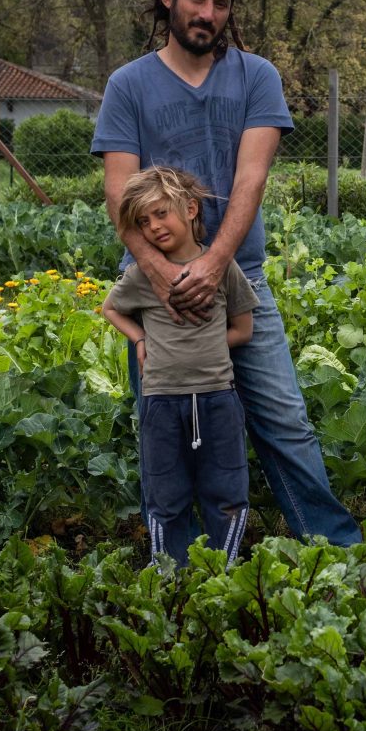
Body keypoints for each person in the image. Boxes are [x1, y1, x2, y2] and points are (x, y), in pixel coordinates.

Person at [91, 0, 361, 547]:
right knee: (163, 429)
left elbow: (250, 180)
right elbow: (119, 192)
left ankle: (335, 548)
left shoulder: (256, 76)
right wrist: (159, 272)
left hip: (241, 280)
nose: (207, 12)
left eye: (220, 3)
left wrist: (215, 264)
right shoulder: (128, 85)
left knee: (283, 420)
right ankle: (177, 565)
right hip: (153, 292)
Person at [102, 166, 258, 567]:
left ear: (190, 209)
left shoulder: (222, 269)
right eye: (142, 221)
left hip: (217, 399)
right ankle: (169, 572)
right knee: (165, 493)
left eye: (160, 213)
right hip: (161, 402)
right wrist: (139, 338)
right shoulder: (140, 276)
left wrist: (207, 347)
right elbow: (109, 309)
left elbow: (243, 328)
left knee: (225, 491)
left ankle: (222, 570)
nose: (153, 227)